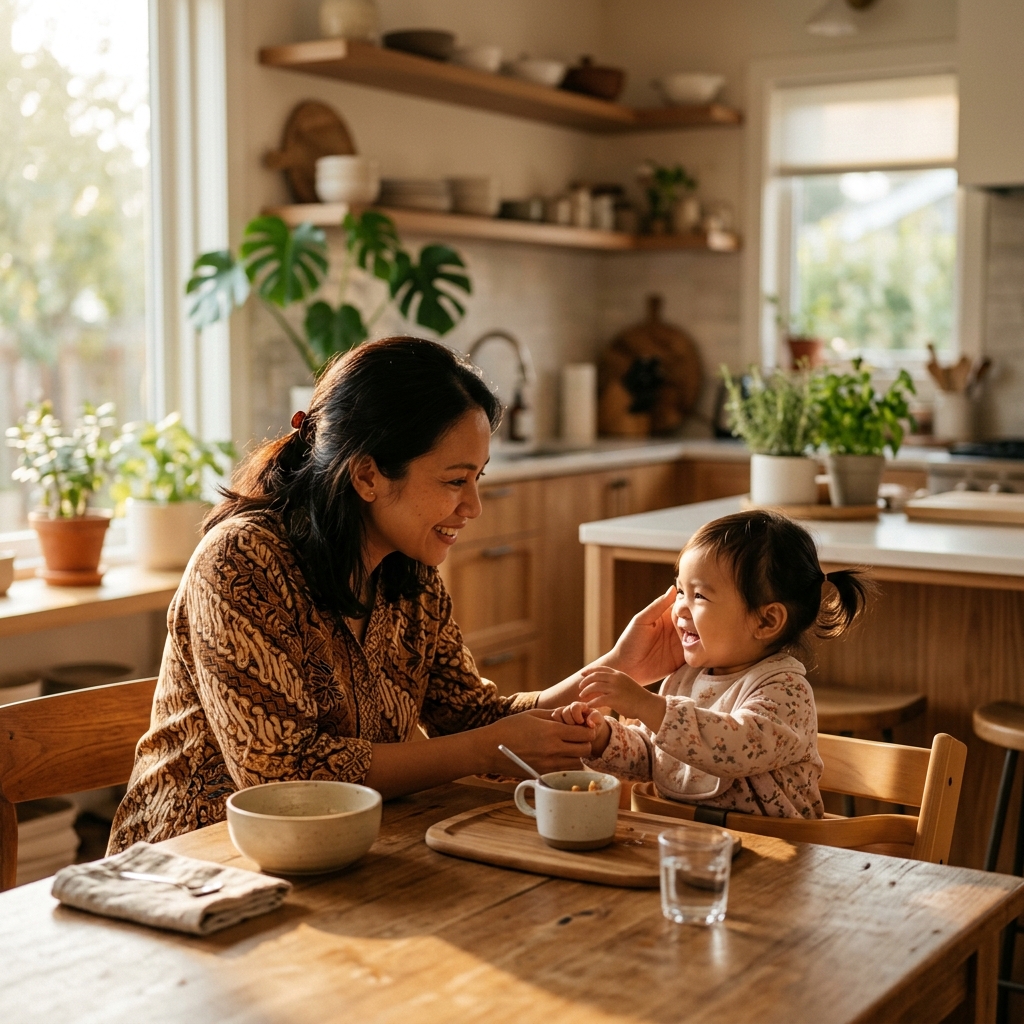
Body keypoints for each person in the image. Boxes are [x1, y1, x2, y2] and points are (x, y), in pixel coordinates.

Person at [108, 337, 596, 852]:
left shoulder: (408, 572)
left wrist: (613, 671)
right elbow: (280, 777)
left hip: (334, 854)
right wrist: (481, 752)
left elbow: (471, 717)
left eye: (478, 477)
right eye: (455, 480)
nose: (473, 506)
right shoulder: (240, 562)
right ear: (367, 475)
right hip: (184, 867)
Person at [554, 510, 870, 819]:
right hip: (691, 845)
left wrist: (645, 704)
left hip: (778, 851)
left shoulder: (785, 690)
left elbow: (736, 747)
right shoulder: (685, 679)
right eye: (680, 591)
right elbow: (657, 758)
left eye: (700, 596)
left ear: (766, 620)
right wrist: (603, 739)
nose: (679, 609)